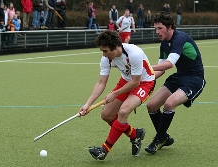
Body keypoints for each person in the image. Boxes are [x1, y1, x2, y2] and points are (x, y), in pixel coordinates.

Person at [78, 30, 156, 160]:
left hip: (144, 82)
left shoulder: (134, 53)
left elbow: (136, 82)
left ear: (116, 47)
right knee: (106, 115)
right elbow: (101, 83)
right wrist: (87, 104)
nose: (103, 54)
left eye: (105, 51)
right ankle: (135, 135)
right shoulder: (106, 59)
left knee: (123, 111)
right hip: (126, 80)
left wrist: (114, 94)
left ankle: (104, 149)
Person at [144, 12, 206, 154]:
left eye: (160, 28)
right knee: (151, 106)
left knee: (169, 104)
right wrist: (144, 78)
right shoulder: (164, 44)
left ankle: (158, 139)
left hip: (194, 79)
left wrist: (145, 66)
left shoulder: (180, 38)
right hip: (179, 77)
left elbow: (169, 64)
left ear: (170, 27)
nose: (157, 32)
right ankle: (164, 136)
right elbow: (160, 70)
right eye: (155, 29)